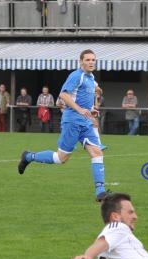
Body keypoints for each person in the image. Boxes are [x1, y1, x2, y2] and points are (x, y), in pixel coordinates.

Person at [18, 49, 108, 202]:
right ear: (81, 61)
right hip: (72, 122)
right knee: (61, 158)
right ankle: (28, 156)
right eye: (87, 60)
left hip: (85, 124)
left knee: (97, 153)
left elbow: (87, 94)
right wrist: (79, 109)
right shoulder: (76, 75)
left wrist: (91, 109)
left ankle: (100, 192)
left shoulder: (90, 77)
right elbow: (63, 95)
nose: (91, 62)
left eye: (93, 60)